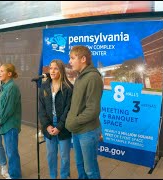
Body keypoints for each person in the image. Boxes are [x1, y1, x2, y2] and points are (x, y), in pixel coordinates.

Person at [65, 45, 103, 179]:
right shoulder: (81, 77)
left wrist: (74, 122)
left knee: (90, 170)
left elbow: (93, 110)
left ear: (83, 59)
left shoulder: (93, 77)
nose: (69, 61)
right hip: (78, 131)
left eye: (72, 58)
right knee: (81, 166)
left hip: (87, 131)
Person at [38, 59, 73, 179]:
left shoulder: (68, 88)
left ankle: (64, 176)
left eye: (55, 68)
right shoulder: (44, 86)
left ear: (61, 71)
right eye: (50, 68)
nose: (52, 71)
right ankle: (53, 176)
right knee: (51, 155)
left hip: (63, 126)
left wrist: (59, 126)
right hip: (49, 125)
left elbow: (68, 110)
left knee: (64, 156)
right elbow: (41, 109)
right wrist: (47, 125)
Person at [0, 63, 22, 179]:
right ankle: (13, 173)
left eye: (2, 71)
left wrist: (0, 120)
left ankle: (15, 176)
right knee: (10, 152)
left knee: (11, 153)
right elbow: (1, 106)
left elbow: (9, 109)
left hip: (10, 125)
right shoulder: (4, 86)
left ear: (9, 74)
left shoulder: (12, 87)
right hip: (5, 124)